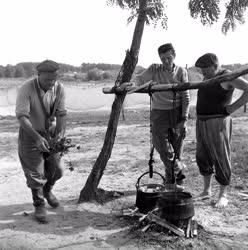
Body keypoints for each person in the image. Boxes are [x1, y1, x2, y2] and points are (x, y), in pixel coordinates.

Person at [131, 43, 190, 190]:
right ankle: (178, 169)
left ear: (174, 56)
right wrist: (131, 83)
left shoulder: (181, 71)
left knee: (177, 148)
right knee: (161, 146)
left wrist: (184, 119)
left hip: (177, 112)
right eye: (162, 58)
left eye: (168, 57)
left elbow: (186, 97)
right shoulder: (154, 69)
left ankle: (173, 184)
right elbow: (139, 79)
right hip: (158, 113)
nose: (165, 61)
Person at [16, 60, 67, 222]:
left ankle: (47, 190)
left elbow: (62, 114)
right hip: (30, 134)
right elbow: (22, 117)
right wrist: (36, 138)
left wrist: (59, 134)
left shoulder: (59, 88)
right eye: (47, 80)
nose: (51, 84)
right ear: (38, 76)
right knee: (35, 173)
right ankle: (39, 204)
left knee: (57, 170)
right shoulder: (26, 88)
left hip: (49, 134)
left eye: (54, 79)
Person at [194, 53, 248, 208]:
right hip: (201, 121)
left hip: (218, 121)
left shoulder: (227, 76)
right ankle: (206, 190)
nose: (203, 72)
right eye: (201, 69)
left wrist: (233, 107)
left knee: (220, 156)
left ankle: (223, 194)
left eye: (205, 68)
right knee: (202, 155)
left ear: (215, 66)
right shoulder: (207, 78)